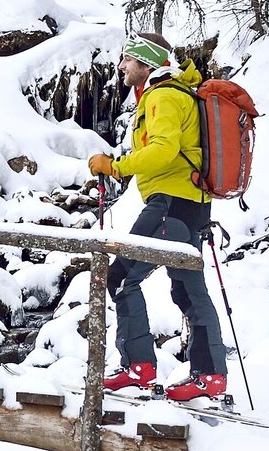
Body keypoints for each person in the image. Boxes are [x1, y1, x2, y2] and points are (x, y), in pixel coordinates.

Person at [87, 32, 228, 401]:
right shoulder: (176, 93)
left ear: (147, 63)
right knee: (187, 288)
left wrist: (117, 167)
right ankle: (210, 376)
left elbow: (165, 151)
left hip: (170, 202)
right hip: (191, 204)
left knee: (120, 276)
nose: (121, 66)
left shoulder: (163, 95)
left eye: (128, 60)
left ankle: (139, 369)